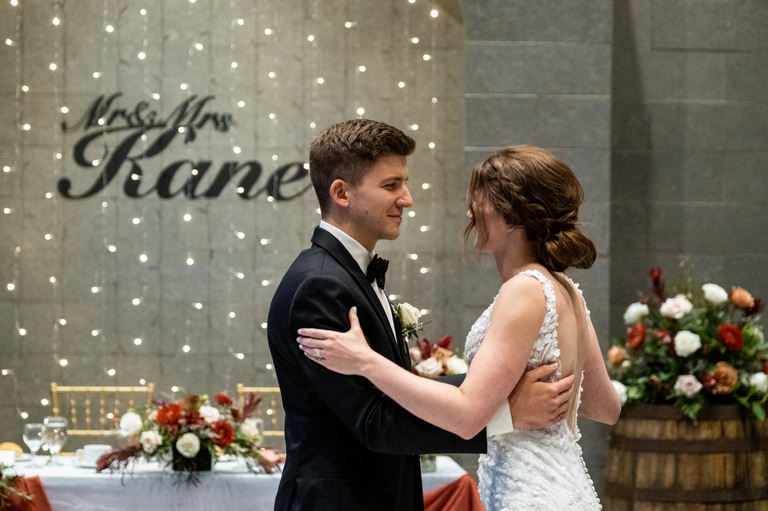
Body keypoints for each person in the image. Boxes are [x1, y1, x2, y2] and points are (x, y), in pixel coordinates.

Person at [267, 122, 575, 511]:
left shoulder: (346, 274)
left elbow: (394, 388)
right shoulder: (320, 286)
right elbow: (373, 420)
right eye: (391, 185)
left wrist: (492, 389)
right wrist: (504, 413)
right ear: (342, 193)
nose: (407, 199)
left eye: (405, 183)